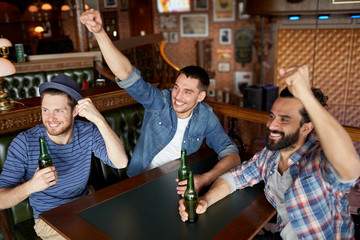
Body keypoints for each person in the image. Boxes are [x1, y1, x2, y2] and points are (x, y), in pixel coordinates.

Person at [179, 65, 360, 239]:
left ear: (306, 128)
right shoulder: (270, 155)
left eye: (285, 119)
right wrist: (204, 201)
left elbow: (350, 166)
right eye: (272, 116)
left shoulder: (319, 160)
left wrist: (306, 95)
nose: (272, 125)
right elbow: (235, 178)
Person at [80, 9, 241, 196]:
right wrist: (99, 33)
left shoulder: (205, 115)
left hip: (175, 185)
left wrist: (205, 178)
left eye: (188, 92)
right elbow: (128, 76)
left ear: (201, 97)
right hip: (141, 182)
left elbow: (231, 154)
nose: (178, 96)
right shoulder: (161, 102)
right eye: (177, 87)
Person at [0, 74, 128, 239]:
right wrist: (31, 186)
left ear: (75, 111)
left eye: (58, 111)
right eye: (45, 110)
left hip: (86, 205)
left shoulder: (87, 131)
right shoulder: (24, 143)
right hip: (50, 219)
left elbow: (121, 162)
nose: (50, 119)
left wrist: (99, 120)